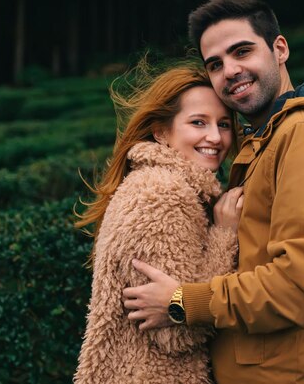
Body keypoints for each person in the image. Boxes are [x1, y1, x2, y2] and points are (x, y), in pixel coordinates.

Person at [122, 0, 304, 384]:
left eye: (242, 51)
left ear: (279, 49)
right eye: (216, 64)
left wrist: (181, 302)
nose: (230, 71)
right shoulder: (267, 137)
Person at [72, 60, 245, 384]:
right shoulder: (163, 196)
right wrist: (225, 235)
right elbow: (176, 333)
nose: (215, 137)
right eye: (198, 122)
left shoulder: (170, 187)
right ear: (161, 131)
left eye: (223, 124)